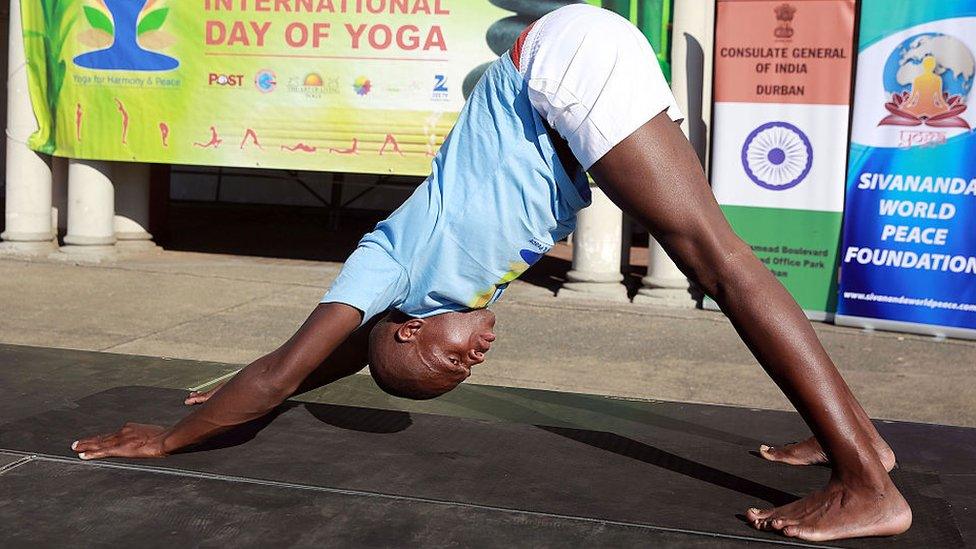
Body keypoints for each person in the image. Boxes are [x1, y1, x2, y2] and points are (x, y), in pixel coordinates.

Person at [70, 5, 911, 542]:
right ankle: (855, 435)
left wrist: (183, 432)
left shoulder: (390, 260)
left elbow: (301, 357)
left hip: (561, 73)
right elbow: (341, 360)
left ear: (405, 322)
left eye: (446, 357)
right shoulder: (434, 304)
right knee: (715, 260)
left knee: (718, 264)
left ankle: (865, 484)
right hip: (572, 91)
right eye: (465, 369)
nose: (471, 356)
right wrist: (248, 389)